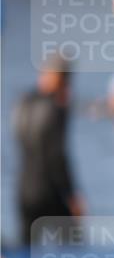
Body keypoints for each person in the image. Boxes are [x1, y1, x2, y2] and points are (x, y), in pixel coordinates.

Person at [14, 56, 85, 245]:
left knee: (26, 254)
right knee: (73, 249)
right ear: (61, 78)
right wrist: (72, 196)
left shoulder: (23, 103)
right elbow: (57, 156)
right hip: (50, 192)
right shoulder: (56, 107)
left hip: (24, 190)